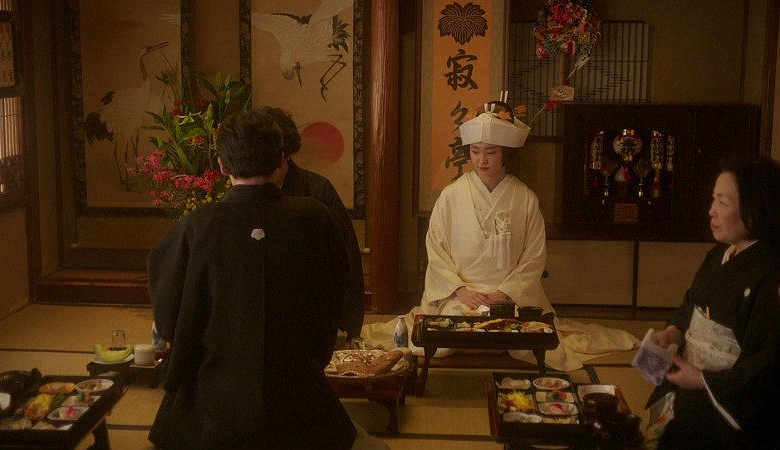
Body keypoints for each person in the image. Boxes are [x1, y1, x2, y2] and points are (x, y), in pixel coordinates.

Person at [147, 110, 358, 449]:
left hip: (215, 399)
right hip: (299, 394)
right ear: (281, 159)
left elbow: (170, 313)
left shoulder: (198, 226)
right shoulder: (314, 217)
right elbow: (336, 289)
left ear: (221, 165)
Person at [376, 100, 638, 370]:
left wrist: (505, 292)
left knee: (525, 344)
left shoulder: (525, 198)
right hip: (461, 295)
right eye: (475, 151)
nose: (482, 160)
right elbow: (436, 249)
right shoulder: (451, 196)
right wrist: (459, 290)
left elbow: (534, 256)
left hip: (510, 296)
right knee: (441, 345)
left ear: (505, 153)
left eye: (491, 152)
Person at [647, 155, 780, 449]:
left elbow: (767, 362)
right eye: (713, 199)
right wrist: (673, 332)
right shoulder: (719, 254)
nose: (711, 210)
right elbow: (692, 303)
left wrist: (702, 379)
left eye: (723, 201)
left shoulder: (771, 274)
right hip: (690, 389)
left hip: (725, 404)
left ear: (756, 208)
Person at [262, 106, 365, 346]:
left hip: (312, 311)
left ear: (286, 154)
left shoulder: (317, 190)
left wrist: (348, 328)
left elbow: (346, 260)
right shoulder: (244, 195)